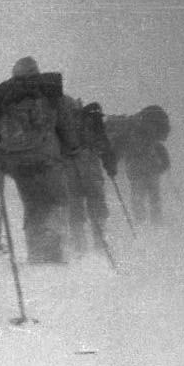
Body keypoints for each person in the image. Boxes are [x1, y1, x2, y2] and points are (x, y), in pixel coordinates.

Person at [0, 57, 79, 264]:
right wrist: (72, 149)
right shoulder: (51, 94)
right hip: (46, 159)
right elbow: (66, 127)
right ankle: (54, 252)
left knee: (33, 206)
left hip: (16, 164)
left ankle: (37, 253)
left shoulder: (3, 96)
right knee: (56, 202)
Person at [64, 99, 118, 254]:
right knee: (96, 204)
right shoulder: (93, 123)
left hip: (68, 169)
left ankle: (79, 249)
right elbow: (104, 147)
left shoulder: (62, 124)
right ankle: (101, 246)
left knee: (75, 208)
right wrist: (110, 167)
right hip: (89, 167)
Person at [109, 105, 170, 226]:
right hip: (151, 169)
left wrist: (112, 163)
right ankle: (156, 225)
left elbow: (119, 149)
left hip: (136, 170)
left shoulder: (130, 133)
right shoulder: (149, 134)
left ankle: (141, 224)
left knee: (138, 199)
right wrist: (163, 165)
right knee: (154, 199)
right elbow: (159, 148)